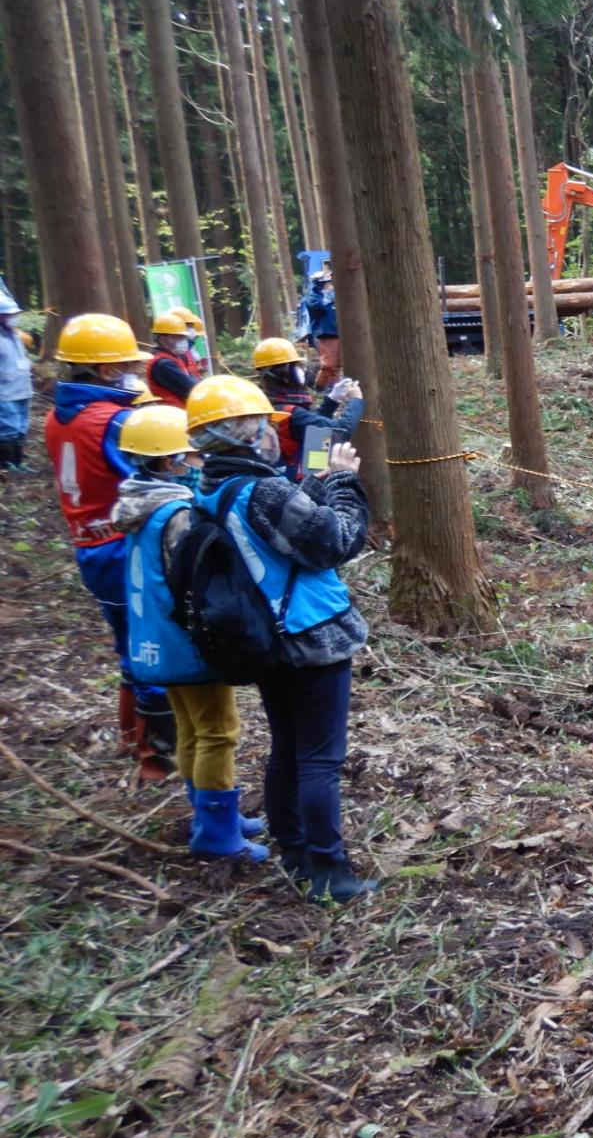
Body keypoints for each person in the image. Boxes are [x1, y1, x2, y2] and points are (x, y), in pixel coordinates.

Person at [185, 374, 376, 902]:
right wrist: (343, 482)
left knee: (288, 749)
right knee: (319, 759)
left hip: (265, 636)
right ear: (246, 432)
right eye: (264, 424)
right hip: (309, 637)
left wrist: (324, 463)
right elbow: (336, 539)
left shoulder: (214, 487)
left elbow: (290, 521)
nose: (273, 432)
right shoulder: (262, 489)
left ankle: (293, 851)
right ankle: (330, 871)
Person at [112, 403, 267, 862]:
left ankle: (211, 814)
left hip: (155, 639)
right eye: (190, 454)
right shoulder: (175, 512)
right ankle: (217, 834)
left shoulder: (139, 507)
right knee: (218, 731)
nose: (197, 460)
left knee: (191, 728)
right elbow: (195, 579)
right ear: (167, 461)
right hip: (186, 641)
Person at [45, 313, 178, 779]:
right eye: (126, 365)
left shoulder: (57, 417)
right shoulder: (113, 421)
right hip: (125, 547)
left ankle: (132, 736)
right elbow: (153, 476)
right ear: (104, 371)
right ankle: (156, 755)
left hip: (91, 546)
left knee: (130, 645)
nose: (134, 374)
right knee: (152, 646)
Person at [250, 337, 365, 482]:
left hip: (292, 472)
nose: (301, 371)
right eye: (296, 366)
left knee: (320, 438)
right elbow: (342, 429)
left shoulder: (271, 405)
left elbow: (314, 428)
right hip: (300, 482)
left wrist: (332, 400)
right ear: (287, 373)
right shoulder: (292, 414)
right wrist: (356, 400)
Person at [0, 285, 31, 473]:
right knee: (8, 429)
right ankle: (7, 465)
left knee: (20, 428)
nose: (12, 317)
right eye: (8, 314)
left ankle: (19, 463)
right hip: (5, 392)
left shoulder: (16, 336)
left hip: (22, 388)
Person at [144, 311, 199, 407]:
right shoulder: (164, 365)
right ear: (163, 340)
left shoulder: (173, 357)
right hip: (175, 415)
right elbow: (193, 389)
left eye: (184, 337)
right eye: (177, 338)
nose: (183, 342)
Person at [297, 269, 340, 389]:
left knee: (336, 366)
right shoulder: (312, 297)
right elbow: (319, 307)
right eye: (327, 282)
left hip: (337, 332)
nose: (330, 284)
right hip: (326, 334)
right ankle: (319, 389)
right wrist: (329, 295)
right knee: (328, 365)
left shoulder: (330, 296)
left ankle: (333, 391)